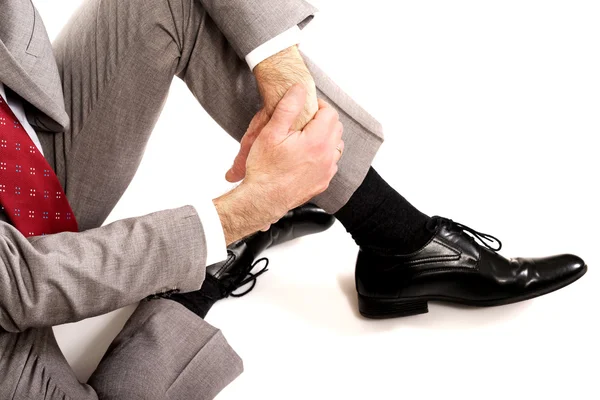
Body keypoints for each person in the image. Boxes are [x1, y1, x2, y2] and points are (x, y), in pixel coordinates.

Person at [0, 0, 587, 398]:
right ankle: (192, 282)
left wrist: (281, 71)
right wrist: (241, 212)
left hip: (17, 159)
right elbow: (18, 285)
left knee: (166, 4)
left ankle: (399, 242)